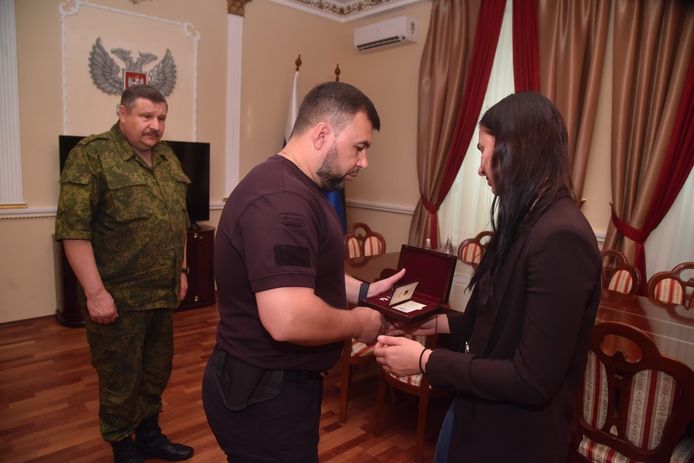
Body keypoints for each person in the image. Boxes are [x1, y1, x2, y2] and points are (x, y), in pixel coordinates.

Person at [374, 92, 601, 462]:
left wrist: (424, 362)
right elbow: (492, 330)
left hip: (511, 440)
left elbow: (532, 379)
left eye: (483, 150)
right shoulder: (525, 222)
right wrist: (431, 323)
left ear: (515, 150)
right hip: (472, 416)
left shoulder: (562, 236)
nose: (480, 168)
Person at [203, 81, 405, 462]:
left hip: (270, 386)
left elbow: (305, 277)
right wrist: (360, 323)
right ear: (322, 134)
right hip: (265, 395)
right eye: (359, 147)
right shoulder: (283, 201)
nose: (364, 162)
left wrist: (365, 293)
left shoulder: (297, 187)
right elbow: (289, 319)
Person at [55, 85, 194, 463]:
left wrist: (181, 269)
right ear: (122, 113)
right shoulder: (92, 156)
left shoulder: (167, 158)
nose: (156, 125)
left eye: (161, 117)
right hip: (118, 298)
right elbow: (74, 230)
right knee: (120, 378)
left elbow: (178, 221)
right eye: (146, 116)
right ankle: (122, 446)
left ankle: (149, 434)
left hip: (161, 295)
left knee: (156, 371)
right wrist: (95, 293)